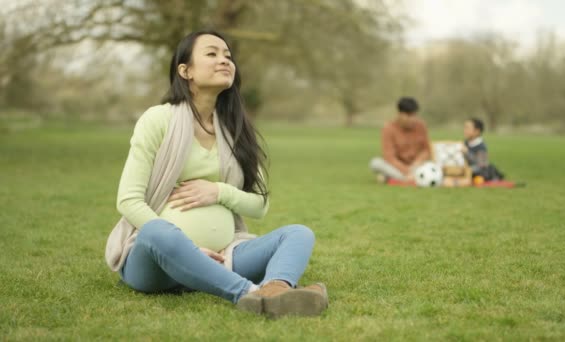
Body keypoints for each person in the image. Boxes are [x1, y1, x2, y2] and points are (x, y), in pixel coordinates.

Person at [104, 30, 328, 318]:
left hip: (225, 256)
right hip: (154, 262)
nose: (224, 61)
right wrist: (190, 250)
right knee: (157, 231)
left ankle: (277, 289)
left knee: (298, 233)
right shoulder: (159, 119)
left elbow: (260, 205)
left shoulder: (235, 130)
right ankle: (249, 293)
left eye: (228, 56)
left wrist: (218, 191)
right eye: (212, 54)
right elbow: (128, 200)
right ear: (185, 71)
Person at [369, 97, 432, 182]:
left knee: (435, 164)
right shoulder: (388, 128)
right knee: (375, 163)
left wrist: (417, 163)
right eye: (408, 116)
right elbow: (389, 157)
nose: (412, 119)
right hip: (397, 166)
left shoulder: (421, 126)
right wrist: (407, 170)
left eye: (414, 115)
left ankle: (392, 178)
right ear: (400, 114)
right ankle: (410, 179)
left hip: (417, 165)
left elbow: (426, 150)